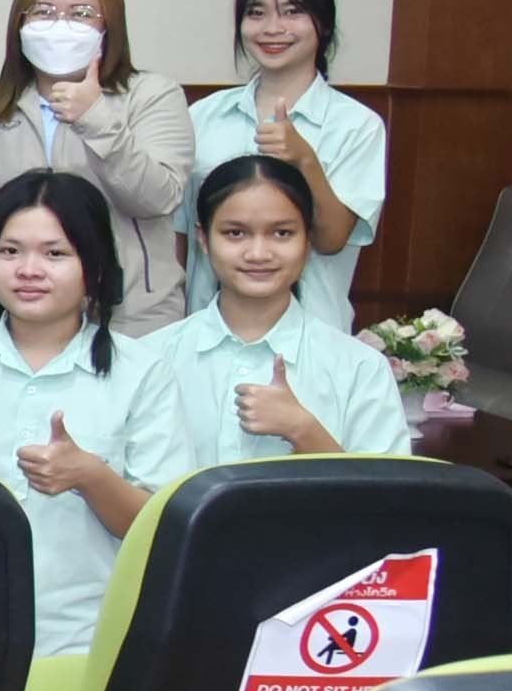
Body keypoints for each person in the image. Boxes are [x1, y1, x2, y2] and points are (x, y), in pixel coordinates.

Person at [0, 174, 180, 655]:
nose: (28, 270)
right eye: (10, 251)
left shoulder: (141, 371)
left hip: (86, 638)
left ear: (94, 265)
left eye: (55, 254)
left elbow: (163, 527)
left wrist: (90, 476)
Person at [0, 0, 194, 337]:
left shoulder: (152, 95)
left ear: (109, 26)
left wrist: (95, 118)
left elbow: (158, 197)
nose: (61, 25)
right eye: (43, 12)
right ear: (20, 24)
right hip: (25, 322)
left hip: (133, 320)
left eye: (81, 13)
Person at [154, 157, 410, 471]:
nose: (258, 254)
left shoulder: (360, 368)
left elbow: (388, 495)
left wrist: (302, 430)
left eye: (282, 233)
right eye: (235, 233)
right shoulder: (153, 358)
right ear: (203, 239)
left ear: (308, 240)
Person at [184, 0, 383, 326]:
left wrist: (304, 161)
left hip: (312, 333)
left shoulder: (356, 125)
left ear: (324, 24)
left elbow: (332, 240)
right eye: (256, 13)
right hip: (208, 331)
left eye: (292, 12)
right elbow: (182, 238)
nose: (272, 28)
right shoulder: (202, 116)